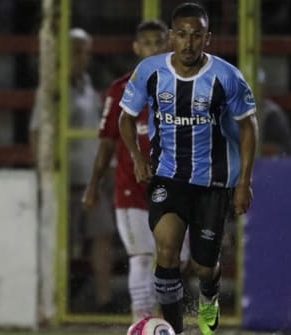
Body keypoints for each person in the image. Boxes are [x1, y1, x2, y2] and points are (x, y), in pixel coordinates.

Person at [118, 3, 258, 334]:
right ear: (171, 37)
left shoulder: (227, 77)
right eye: (182, 34)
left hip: (213, 181)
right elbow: (126, 116)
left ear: (207, 39)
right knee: (166, 251)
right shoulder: (150, 71)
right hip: (168, 175)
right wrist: (138, 157)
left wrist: (243, 183)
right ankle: (175, 330)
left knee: (203, 265)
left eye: (196, 35)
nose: (188, 42)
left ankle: (209, 296)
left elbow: (249, 126)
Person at [81, 20, 190, 321]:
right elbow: (106, 143)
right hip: (132, 189)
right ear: (136, 48)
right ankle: (142, 322)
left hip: (175, 188)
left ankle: (165, 320)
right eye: (147, 43)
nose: (153, 48)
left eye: (158, 42)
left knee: (177, 259)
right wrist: (93, 186)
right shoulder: (120, 90)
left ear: (167, 45)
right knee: (142, 258)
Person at [30, 28, 115, 313]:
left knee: (102, 235)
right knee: (61, 242)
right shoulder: (52, 88)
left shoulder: (88, 86)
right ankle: (54, 302)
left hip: (90, 178)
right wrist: (46, 172)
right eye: (78, 51)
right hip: (63, 179)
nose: (84, 58)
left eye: (86, 52)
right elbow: (36, 132)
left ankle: (103, 300)